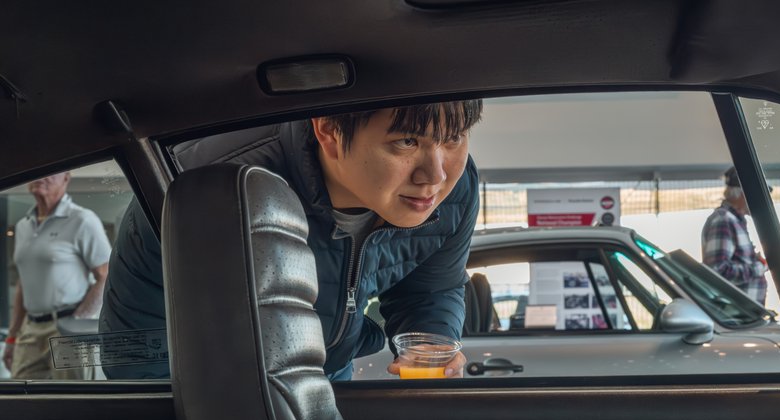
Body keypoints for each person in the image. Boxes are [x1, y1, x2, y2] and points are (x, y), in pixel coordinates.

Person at [100, 101, 483, 380]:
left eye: (453, 139)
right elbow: (139, 346)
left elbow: (430, 289)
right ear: (329, 131)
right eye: (406, 142)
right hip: (218, 391)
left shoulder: (456, 189)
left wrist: (432, 341)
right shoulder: (204, 187)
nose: (434, 176)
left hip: (331, 373)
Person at [3, 172, 110, 380]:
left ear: (66, 178)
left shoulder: (82, 219)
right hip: (31, 330)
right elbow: (23, 284)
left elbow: (106, 277)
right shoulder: (23, 226)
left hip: (67, 327)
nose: (41, 176)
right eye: (36, 170)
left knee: (74, 402)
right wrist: (12, 337)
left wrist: (77, 321)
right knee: (21, 400)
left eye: (51, 171)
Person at [700, 167, 769, 305]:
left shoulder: (735, 221)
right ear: (744, 194)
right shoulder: (724, 220)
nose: (761, 199)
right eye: (758, 193)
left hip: (745, 317)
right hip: (737, 318)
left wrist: (752, 260)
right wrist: (758, 267)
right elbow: (717, 272)